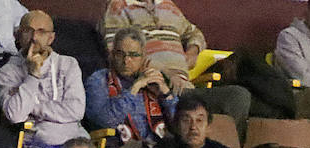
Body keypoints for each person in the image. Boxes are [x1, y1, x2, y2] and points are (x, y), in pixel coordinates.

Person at [100, 0, 250, 130]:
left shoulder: (167, 5)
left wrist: (193, 51)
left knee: (238, 96)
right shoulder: (117, 8)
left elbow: (194, 33)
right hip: (153, 90)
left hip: (185, 89)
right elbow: (120, 56)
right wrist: (167, 74)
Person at [0, 10, 87, 148]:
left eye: (41, 32)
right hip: (39, 142)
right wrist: (33, 76)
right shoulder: (7, 72)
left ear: (51, 38)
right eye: (28, 31)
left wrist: (33, 108)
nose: (34, 38)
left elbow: (76, 110)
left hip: (75, 140)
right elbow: (15, 115)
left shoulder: (68, 64)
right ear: (18, 35)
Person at [84, 26, 177, 148]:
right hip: (119, 147)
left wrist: (165, 93)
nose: (126, 60)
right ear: (112, 54)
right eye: (120, 54)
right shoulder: (99, 79)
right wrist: (135, 88)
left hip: (157, 146)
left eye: (133, 55)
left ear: (144, 57)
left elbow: (180, 123)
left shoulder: (154, 80)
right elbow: (105, 120)